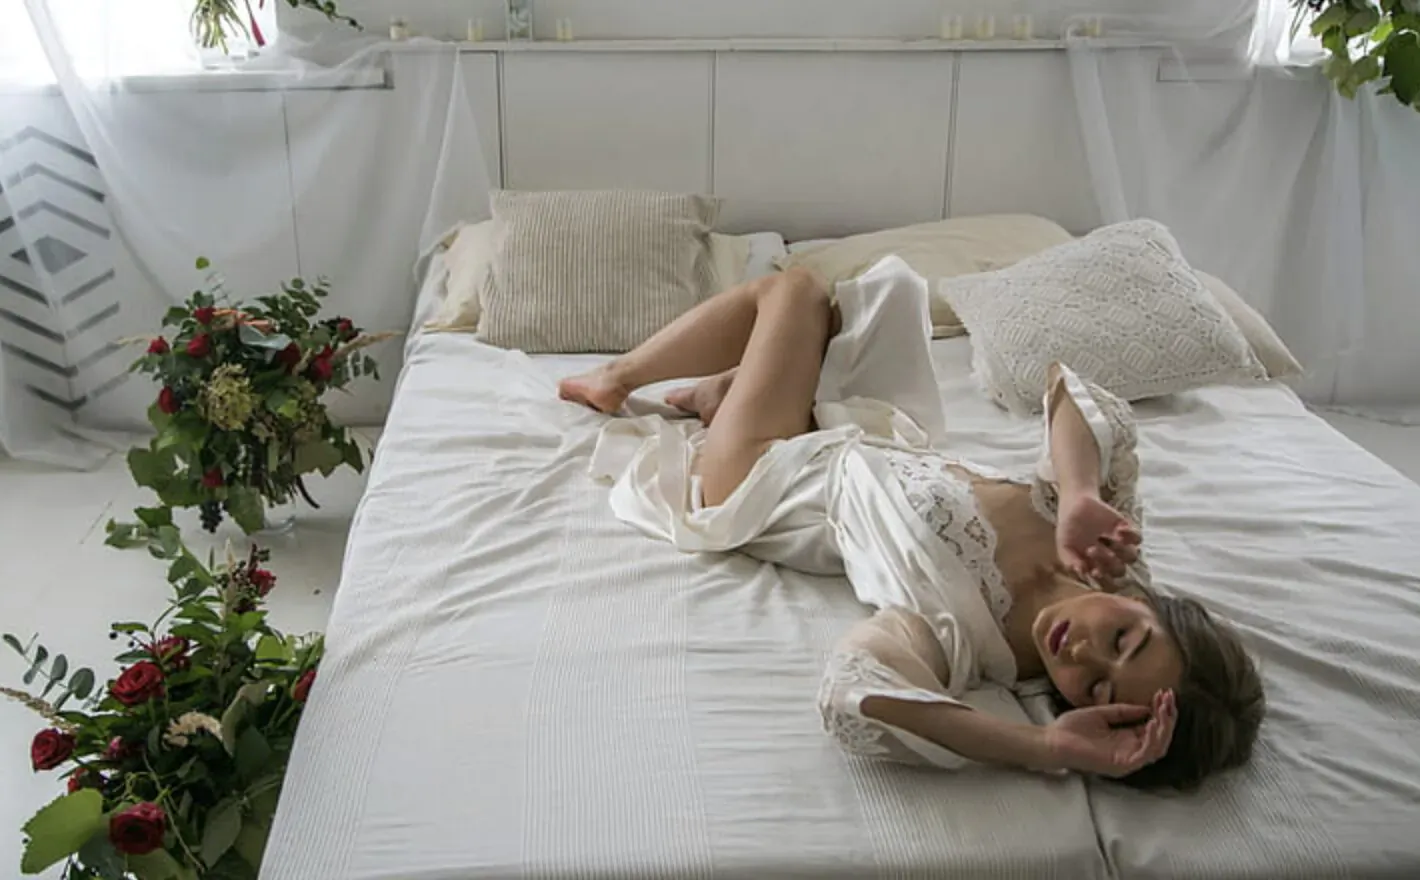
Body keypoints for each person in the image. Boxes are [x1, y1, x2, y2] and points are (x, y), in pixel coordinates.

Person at [560, 257, 1264, 790]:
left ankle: (620, 378)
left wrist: (1044, 748)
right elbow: (1077, 395)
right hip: (872, 436)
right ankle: (733, 389)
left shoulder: (966, 640)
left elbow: (852, 700)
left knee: (796, 289)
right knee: (886, 292)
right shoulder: (1108, 552)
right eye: (1123, 639)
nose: (1080, 655)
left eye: (1099, 692)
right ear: (1150, 606)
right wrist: (1078, 492)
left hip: (765, 476)